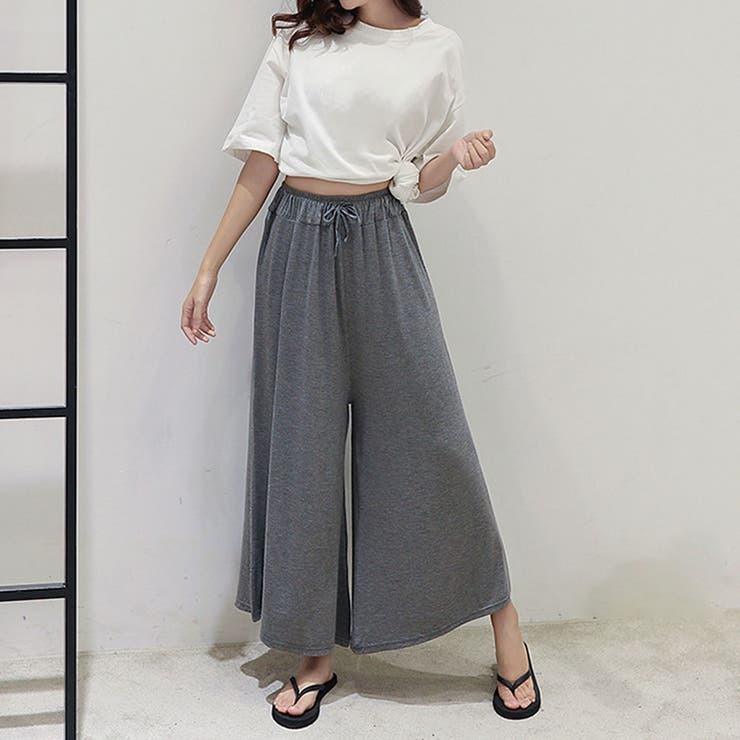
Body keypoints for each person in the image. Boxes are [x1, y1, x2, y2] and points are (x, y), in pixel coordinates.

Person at [180, 0, 542, 729]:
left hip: (381, 239)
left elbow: (419, 178)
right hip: (296, 241)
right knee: (303, 453)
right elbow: (263, 157)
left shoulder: (437, 49)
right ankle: (313, 654)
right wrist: (209, 266)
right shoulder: (301, 40)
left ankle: (506, 626)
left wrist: (454, 157)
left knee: (433, 438)